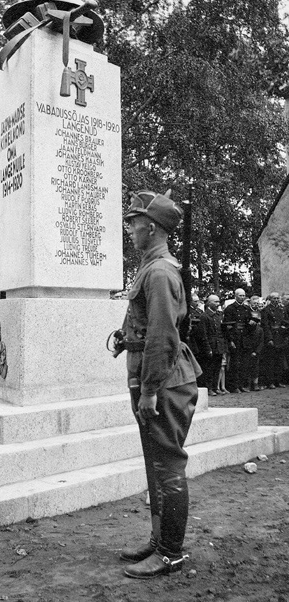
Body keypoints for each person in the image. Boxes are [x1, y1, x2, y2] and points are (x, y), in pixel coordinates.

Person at [117, 190, 201, 579]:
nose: (130, 231)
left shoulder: (160, 271)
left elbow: (163, 337)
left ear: (150, 228)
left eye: (133, 224)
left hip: (164, 383)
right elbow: (146, 326)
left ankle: (171, 553)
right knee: (156, 465)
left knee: (168, 465)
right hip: (153, 378)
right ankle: (159, 539)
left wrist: (149, 389)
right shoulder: (151, 268)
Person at [197, 295, 228, 396]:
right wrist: (208, 348)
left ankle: (215, 387)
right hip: (210, 346)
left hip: (219, 345)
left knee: (217, 367)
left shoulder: (219, 315)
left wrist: (223, 346)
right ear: (209, 303)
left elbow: (222, 332)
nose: (218, 304)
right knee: (209, 368)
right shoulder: (204, 316)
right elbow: (203, 334)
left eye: (218, 302)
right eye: (215, 302)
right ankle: (209, 388)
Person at [222, 289, 251, 393]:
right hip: (235, 337)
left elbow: (248, 324)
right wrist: (230, 340)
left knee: (244, 363)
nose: (242, 297)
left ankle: (242, 385)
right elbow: (228, 326)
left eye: (244, 296)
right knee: (235, 363)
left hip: (244, 338)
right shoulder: (230, 309)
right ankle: (234, 386)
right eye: (240, 296)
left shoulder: (247, 308)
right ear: (235, 296)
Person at [261, 292, 287, 389]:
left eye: (277, 298)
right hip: (272, 335)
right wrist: (269, 338)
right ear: (270, 299)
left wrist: (284, 329)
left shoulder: (281, 309)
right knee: (271, 361)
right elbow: (266, 326)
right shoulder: (266, 310)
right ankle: (270, 382)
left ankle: (278, 381)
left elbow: (284, 321)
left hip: (280, 336)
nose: (276, 300)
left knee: (279, 361)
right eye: (274, 298)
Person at [244, 296, 264, 391]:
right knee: (247, 367)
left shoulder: (260, 330)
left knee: (256, 367)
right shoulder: (247, 330)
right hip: (248, 349)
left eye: (257, 303)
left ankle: (255, 384)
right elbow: (246, 339)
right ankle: (248, 384)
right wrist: (251, 350)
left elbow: (261, 341)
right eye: (254, 303)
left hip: (257, 351)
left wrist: (256, 351)